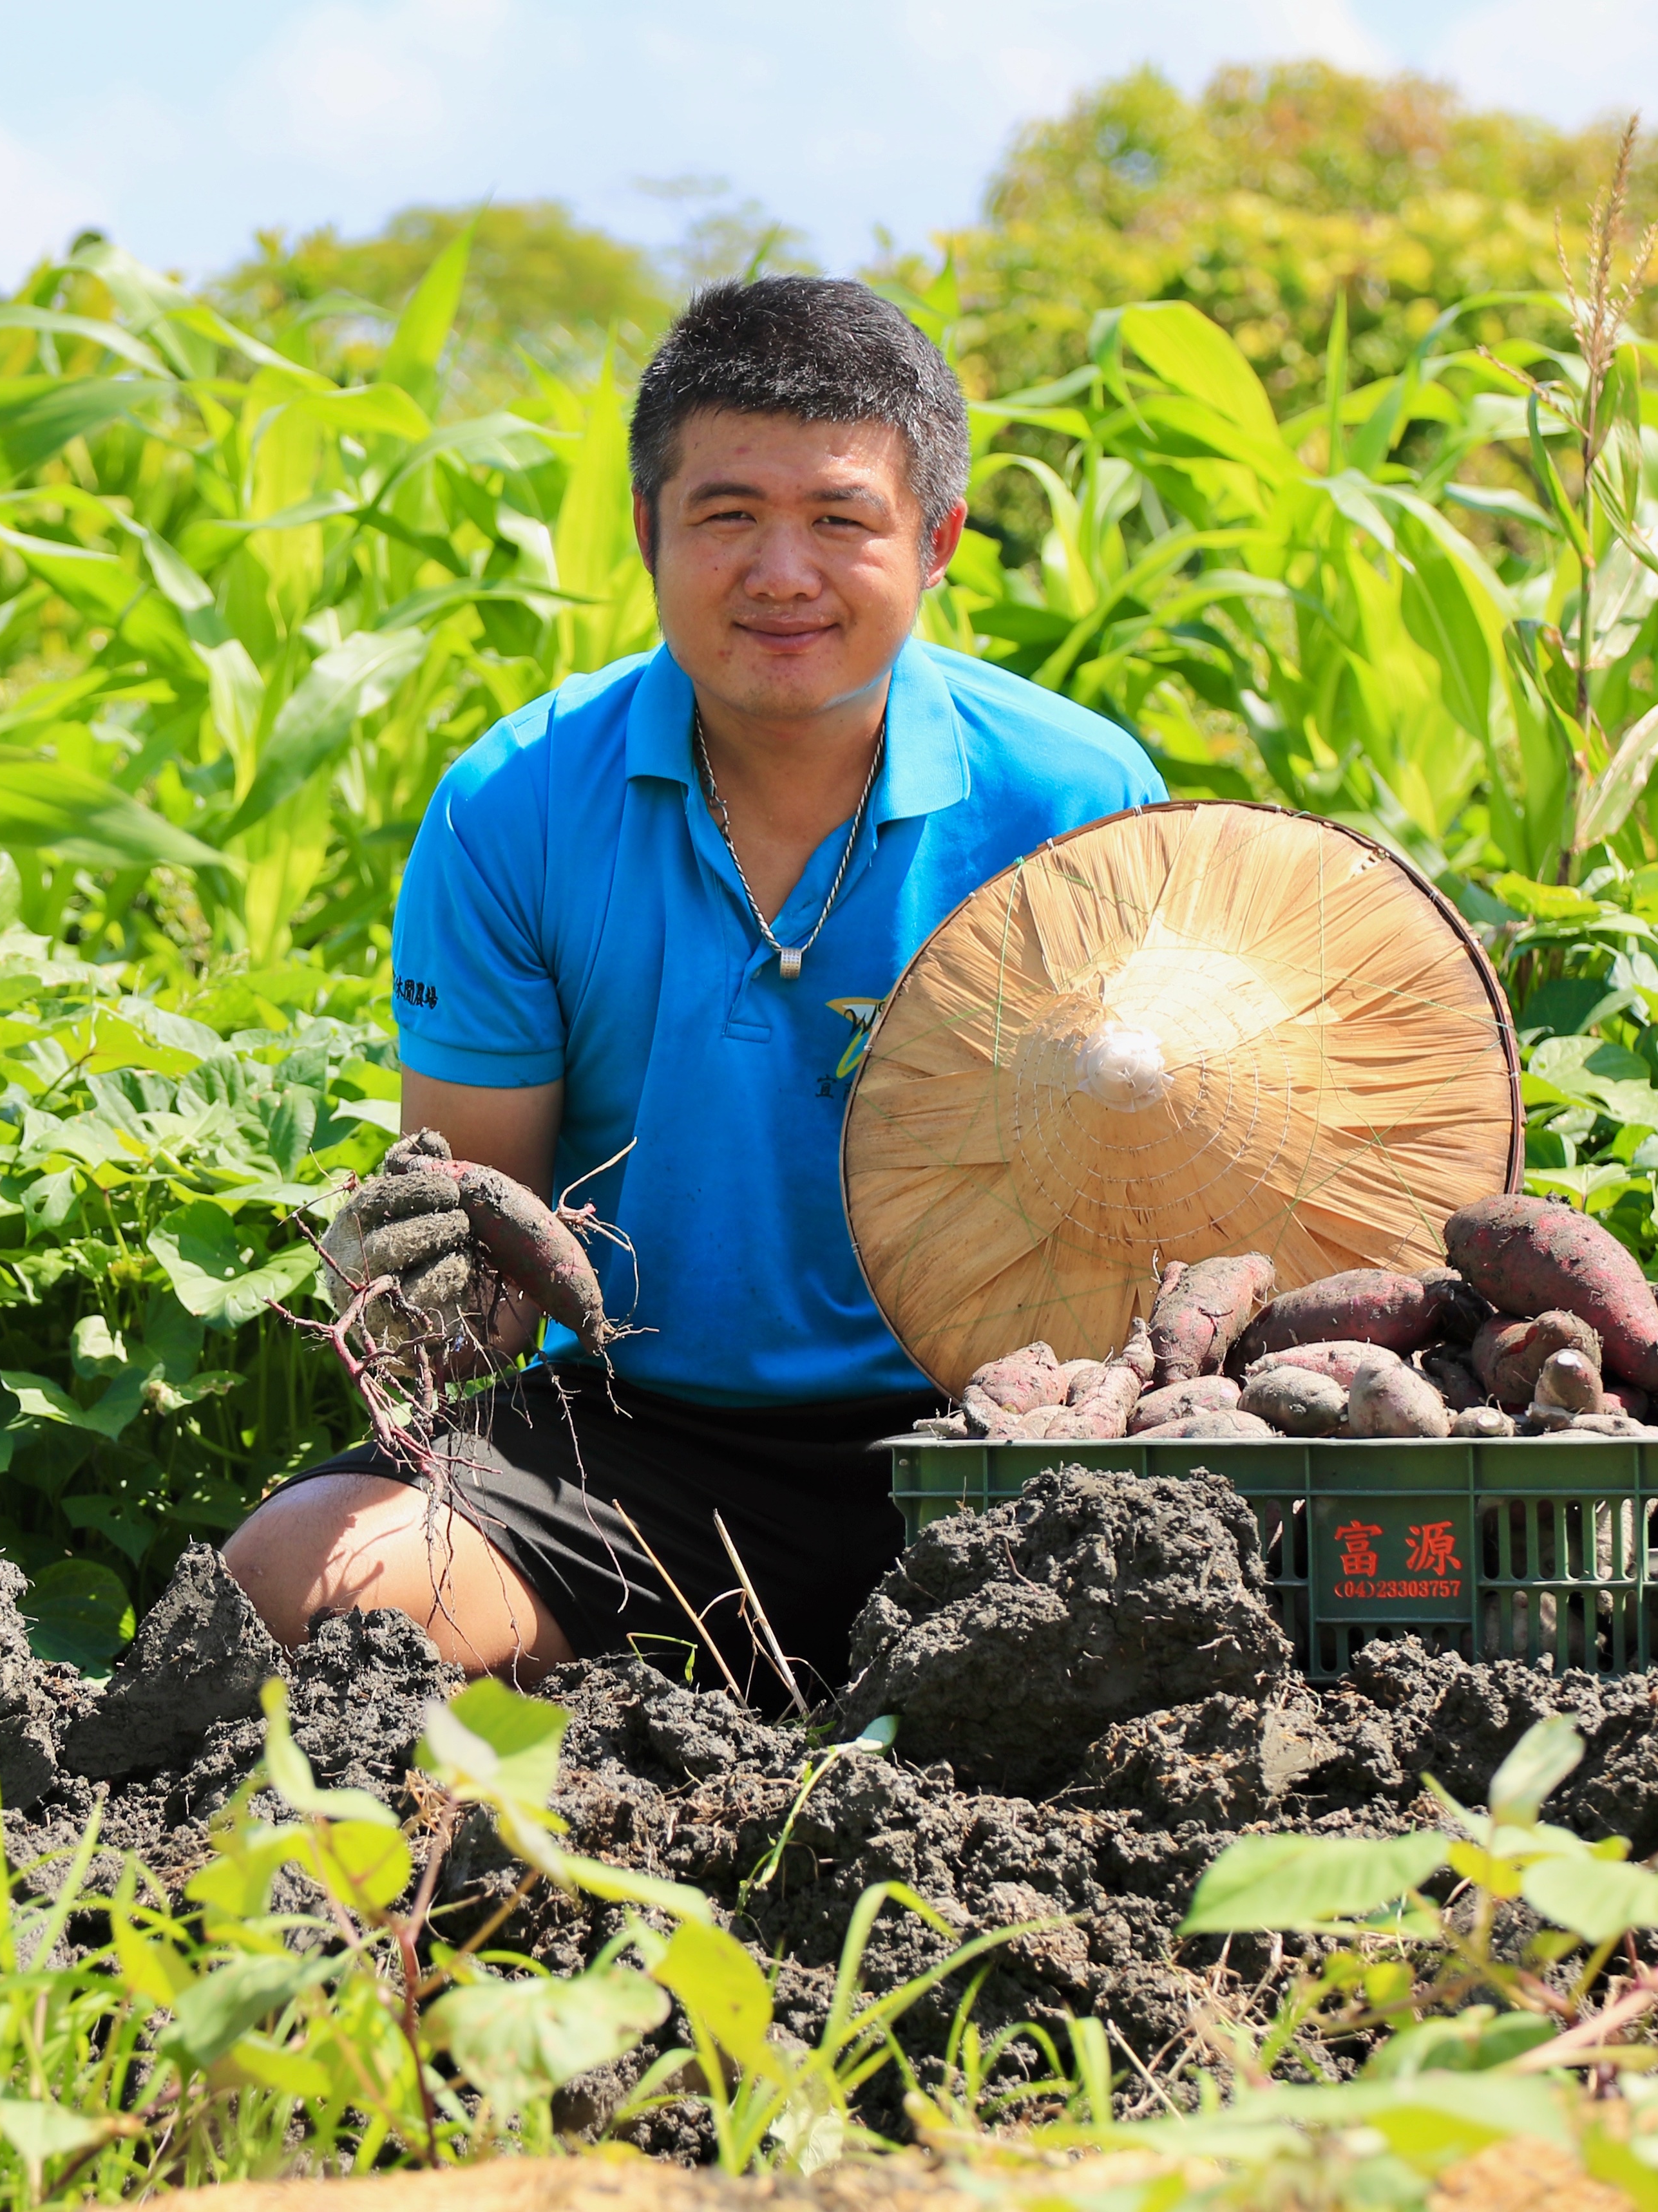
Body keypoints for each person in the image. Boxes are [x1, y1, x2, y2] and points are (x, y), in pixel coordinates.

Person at [221, 276, 1163, 1705]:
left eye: (842, 520)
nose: (782, 573)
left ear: (938, 541)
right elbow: (488, 1279)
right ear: (650, 531)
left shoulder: (1081, 799)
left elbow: (1167, 1194)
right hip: (639, 1446)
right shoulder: (516, 808)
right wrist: (408, 1279)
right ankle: (666, 1694)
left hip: (1006, 1438)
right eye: (727, 516)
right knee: (300, 1581)